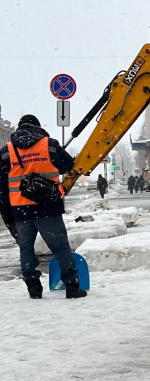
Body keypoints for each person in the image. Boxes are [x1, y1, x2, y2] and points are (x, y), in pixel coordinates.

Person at [0, 114, 87, 299]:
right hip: (48, 206)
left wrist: (7, 213)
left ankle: (33, 288)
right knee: (60, 247)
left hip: (21, 210)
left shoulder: (7, 151)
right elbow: (68, 165)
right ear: (38, 127)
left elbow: (2, 185)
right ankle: (72, 286)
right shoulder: (49, 144)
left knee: (26, 249)